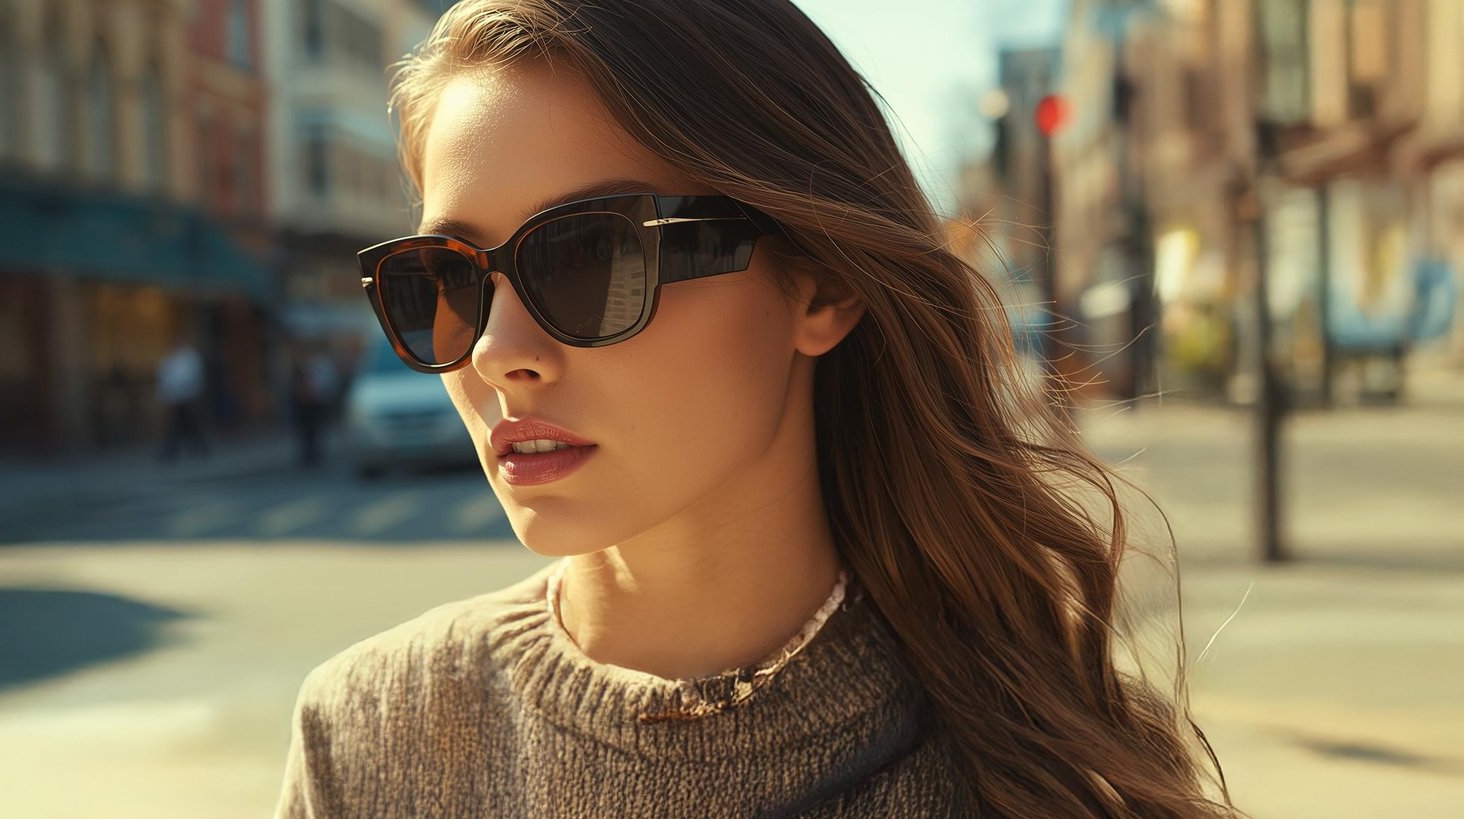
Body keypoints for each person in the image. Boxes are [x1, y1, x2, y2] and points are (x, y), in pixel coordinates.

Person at [274, 1, 1236, 817]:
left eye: (591, 258)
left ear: (818, 287)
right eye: (442, 278)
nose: (495, 352)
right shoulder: (369, 740)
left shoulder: (1039, 765)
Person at [156, 340, 210, 461]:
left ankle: (172, 449)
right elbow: (166, 379)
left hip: (186, 396)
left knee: (183, 423)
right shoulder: (172, 359)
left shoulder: (187, 358)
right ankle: (192, 447)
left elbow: (192, 377)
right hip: (178, 397)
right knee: (184, 423)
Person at [288, 346, 339, 468]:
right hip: (305, 407)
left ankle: (312, 455)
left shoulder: (314, 367)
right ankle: (309, 455)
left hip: (312, 405)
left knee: (313, 431)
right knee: (308, 432)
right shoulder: (303, 370)